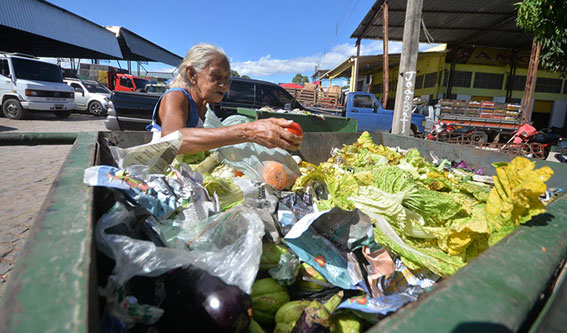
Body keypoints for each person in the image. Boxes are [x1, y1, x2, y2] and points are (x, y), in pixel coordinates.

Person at [148, 43, 302, 154]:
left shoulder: (204, 104)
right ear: (192, 74)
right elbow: (171, 141)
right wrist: (249, 131)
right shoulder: (175, 97)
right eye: (216, 76)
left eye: (227, 79)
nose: (224, 85)